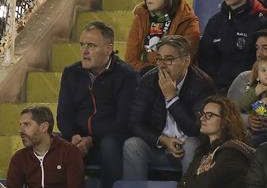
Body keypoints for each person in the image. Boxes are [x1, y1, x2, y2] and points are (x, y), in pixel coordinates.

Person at [57, 20, 137, 188]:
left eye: (91, 46)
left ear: (108, 49)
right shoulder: (71, 73)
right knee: (52, 142)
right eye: (82, 45)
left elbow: (124, 121)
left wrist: (91, 140)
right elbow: (64, 115)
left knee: (110, 144)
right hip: (78, 140)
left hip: (109, 140)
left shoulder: (126, 75)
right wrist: (74, 136)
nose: (84, 51)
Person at [122, 35, 214, 180]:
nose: (162, 65)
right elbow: (134, 123)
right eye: (159, 59)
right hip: (158, 145)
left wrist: (172, 99)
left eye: (169, 59)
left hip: (187, 147)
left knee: (192, 145)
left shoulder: (202, 84)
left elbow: (196, 129)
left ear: (186, 61)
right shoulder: (149, 80)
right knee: (132, 144)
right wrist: (163, 140)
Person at [125, 0, 201, 72]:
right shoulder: (141, 18)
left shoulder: (187, 21)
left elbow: (183, 61)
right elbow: (130, 60)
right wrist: (149, 72)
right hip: (143, 75)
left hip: (174, 77)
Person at [181, 96, 254, 188]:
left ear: (225, 121)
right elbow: (183, 181)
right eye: (202, 114)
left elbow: (206, 184)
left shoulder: (232, 152)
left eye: (209, 115)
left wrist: (188, 183)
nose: (202, 119)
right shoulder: (203, 150)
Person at [6, 106, 84, 188]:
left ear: (44, 127)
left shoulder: (69, 152)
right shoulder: (19, 158)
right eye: (20, 125)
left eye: (26, 124)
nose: (21, 131)